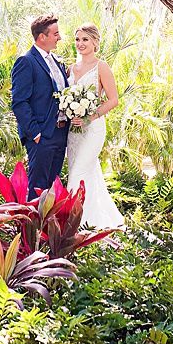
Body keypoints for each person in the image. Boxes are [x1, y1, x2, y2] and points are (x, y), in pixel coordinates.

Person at [64, 24, 125, 230]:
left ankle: (76, 225)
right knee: (85, 173)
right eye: (78, 39)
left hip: (93, 129)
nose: (80, 44)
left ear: (95, 42)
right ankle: (95, 221)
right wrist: (69, 112)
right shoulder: (71, 68)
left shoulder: (102, 67)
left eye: (85, 40)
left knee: (77, 174)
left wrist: (90, 117)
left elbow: (113, 100)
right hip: (73, 132)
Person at [10, 13, 70, 194]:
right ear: (42, 37)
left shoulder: (57, 62)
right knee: (37, 189)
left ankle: (49, 223)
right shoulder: (26, 62)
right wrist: (35, 133)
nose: (59, 37)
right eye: (55, 34)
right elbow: (19, 102)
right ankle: (33, 223)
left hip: (60, 133)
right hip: (42, 136)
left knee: (53, 190)